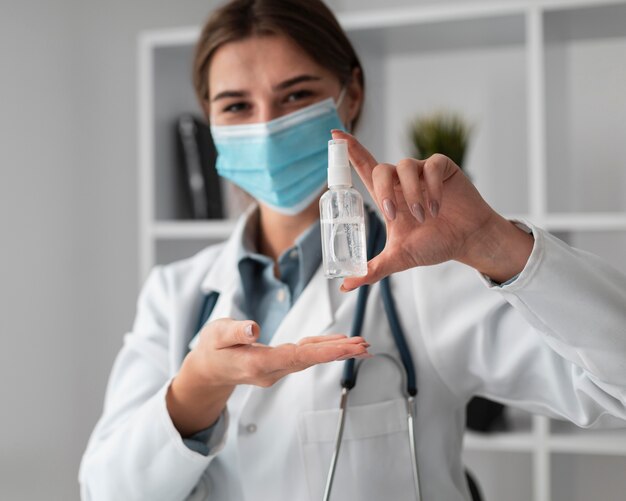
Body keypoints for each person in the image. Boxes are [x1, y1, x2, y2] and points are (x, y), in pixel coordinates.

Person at [79, 0, 626, 500]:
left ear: (351, 95)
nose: (267, 127)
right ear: (211, 119)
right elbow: (106, 490)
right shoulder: (175, 294)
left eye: (295, 95)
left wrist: (493, 243)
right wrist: (196, 390)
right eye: (237, 105)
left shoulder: (429, 281)